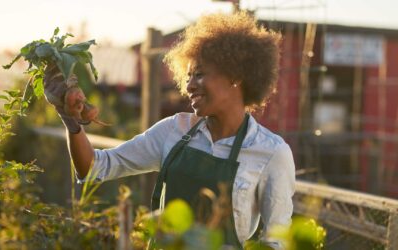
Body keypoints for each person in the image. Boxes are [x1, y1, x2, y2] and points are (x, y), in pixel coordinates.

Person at [44, 11, 295, 249]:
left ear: (235, 76)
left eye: (199, 74)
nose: (189, 86)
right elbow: (94, 168)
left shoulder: (271, 153)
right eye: (187, 77)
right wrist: (69, 118)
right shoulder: (174, 130)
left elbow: (276, 242)